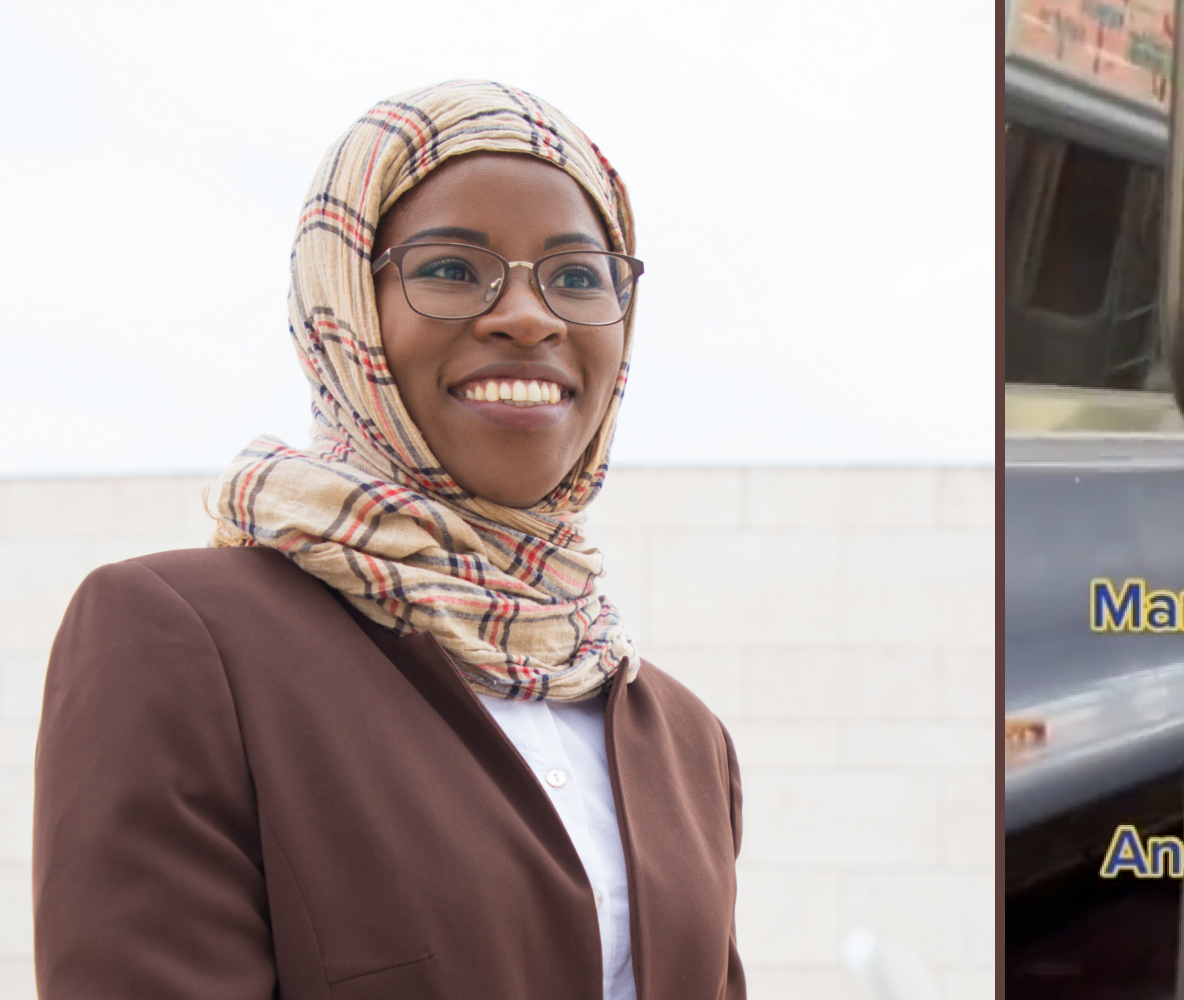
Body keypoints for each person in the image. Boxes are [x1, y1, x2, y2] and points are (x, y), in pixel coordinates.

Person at [33, 80, 744, 1000]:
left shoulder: (686, 740)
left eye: (577, 276)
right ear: (346, 309)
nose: (530, 317)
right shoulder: (183, 639)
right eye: (451, 269)